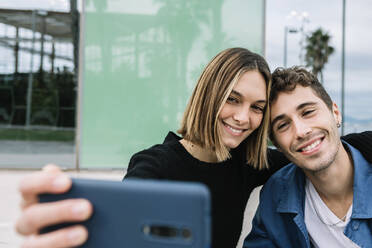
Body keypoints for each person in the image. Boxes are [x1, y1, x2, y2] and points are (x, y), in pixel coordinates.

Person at [15, 49, 372, 248]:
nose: (242, 117)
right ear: (208, 96)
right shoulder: (156, 165)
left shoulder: (248, 163)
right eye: (232, 100)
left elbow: (316, 150)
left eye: (257, 107)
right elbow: (119, 224)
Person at [243, 66, 372, 248]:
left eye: (308, 112)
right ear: (277, 145)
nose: (301, 131)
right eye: (282, 125)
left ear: (335, 113)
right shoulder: (275, 195)